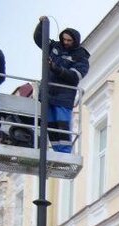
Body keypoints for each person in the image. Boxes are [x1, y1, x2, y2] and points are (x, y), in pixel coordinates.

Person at [32, 23, 89, 153]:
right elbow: (39, 38)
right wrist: (42, 24)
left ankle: (64, 152)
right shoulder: (55, 47)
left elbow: (75, 76)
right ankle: (58, 151)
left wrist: (55, 68)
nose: (66, 42)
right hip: (48, 94)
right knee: (51, 126)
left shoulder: (81, 57)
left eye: (69, 40)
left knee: (62, 126)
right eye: (64, 39)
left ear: (75, 41)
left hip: (63, 97)